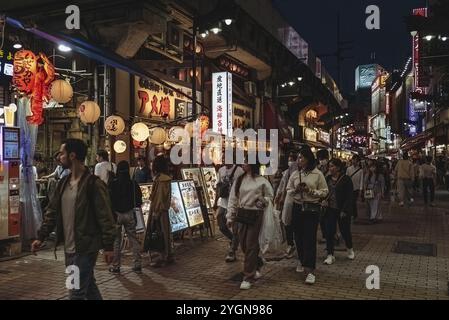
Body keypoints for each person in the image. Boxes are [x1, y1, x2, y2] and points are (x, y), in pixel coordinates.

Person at [31, 139, 116, 300]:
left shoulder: (93, 184)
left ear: (72, 155)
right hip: (69, 248)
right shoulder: (63, 183)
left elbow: (105, 216)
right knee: (88, 287)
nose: (59, 157)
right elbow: (52, 212)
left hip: (85, 248)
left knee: (75, 292)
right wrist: (41, 236)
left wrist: (109, 246)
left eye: (62, 153)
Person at [227, 162, 274, 290]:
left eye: (246, 162)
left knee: (251, 245)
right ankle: (257, 263)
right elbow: (233, 198)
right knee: (243, 245)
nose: (243, 164)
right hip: (241, 214)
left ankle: (248, 276)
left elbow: (270, 196)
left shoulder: (262, 180)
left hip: (256, 215)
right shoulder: (240, 179)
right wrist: (230, 216)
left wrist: (263, 201)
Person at [286, 147, 328, 285]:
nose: (299, 160)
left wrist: (310, 191)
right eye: (298, 158)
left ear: (308, 159)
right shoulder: (295, 174)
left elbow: (324, 192)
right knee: (298, 237)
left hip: (311, 209)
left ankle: (310, 271)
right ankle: (302, 261)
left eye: (301, 158)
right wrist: (296, 190)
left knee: (309, 238)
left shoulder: (318, 174)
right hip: (298, 208)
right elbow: (289, 190)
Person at [108, 161, 143, 274]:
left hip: (116, 215)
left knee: (116, 240)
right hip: (129, 213)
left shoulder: (113, 183)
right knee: (133, 239)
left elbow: (109, 200)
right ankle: (137, 264)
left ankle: (116, 266)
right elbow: (138, 201)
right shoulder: (133, 184)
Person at [322, 159, 355, 265]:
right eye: (329, 166)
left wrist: (345, 210)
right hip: (330, 209)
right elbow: (323, 192)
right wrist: (323, 201)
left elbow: (349, 196)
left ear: (338, 167)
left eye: (332, 166)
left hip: (342, 210)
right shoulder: (327, 179)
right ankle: (330, 254)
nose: (330, 168)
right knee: (329, 231)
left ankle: (349, 248)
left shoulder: (346, 179)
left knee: (345, 230)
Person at [143, 155, 173, 267]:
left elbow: (160, 197)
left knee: (160, 232)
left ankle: (163, 257)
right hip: (164, 209)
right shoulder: (166, 178)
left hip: (158, 210)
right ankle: (168, 255)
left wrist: (156, 212)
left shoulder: (160, 180)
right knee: (165, 232)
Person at [214, 163, 244, 263]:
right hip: (223, 202)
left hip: (235, 203)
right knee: (221, 224)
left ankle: (232, 251)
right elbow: (218, 186)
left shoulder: (239, 170)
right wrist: (215, 201)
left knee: (235, 228)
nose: (224, 160)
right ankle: (232, 239)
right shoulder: (221, 170)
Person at [274, 153, 298, 258]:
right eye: (289, 160)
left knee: (295, 224)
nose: (290, 162)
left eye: (292, 159)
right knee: (287, 222)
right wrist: (278, 196)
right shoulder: (286, 172)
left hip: (297, 202)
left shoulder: (299, 173)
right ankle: (290, 244)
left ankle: (294, 244)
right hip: (287, 202)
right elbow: (282, 185)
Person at [316, 149, 330, 244]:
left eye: (323, 159)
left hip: (330, 197)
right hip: (320, 197)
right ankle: (325, 235)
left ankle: (331, 235)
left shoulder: (331, 168)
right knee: (321, 218)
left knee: (329, 218)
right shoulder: (317, 169)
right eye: (320, 159)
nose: (321, 161)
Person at [346, 155, 364, 220]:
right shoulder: (348, 169)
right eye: (353, 160)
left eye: (356, 160)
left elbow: (361, 180)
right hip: (349, 188)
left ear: (358, 161)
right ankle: (353, 214)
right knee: (351, 202)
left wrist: (360, 189)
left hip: (356, 188)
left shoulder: (360, 170)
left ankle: (353, 215)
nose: (354, 161)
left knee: (353, 202)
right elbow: (346, 178)